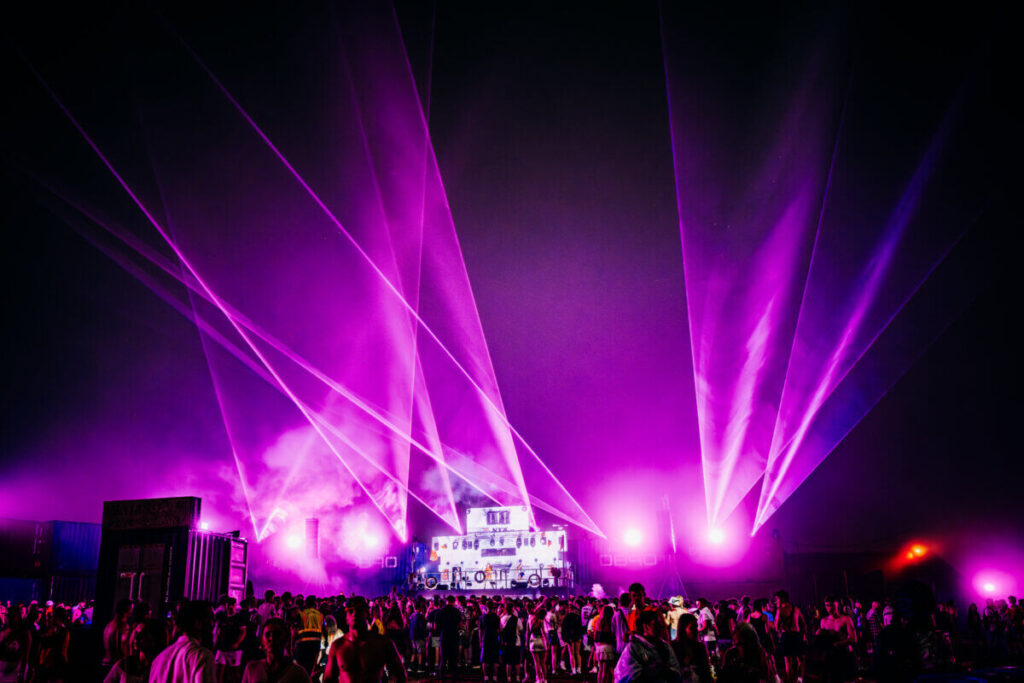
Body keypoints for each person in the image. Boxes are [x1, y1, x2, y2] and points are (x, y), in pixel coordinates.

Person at [323, 597, 406, 683]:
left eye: (359, 610)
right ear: (346, 618)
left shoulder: (383, 643)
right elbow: (328, 679)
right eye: (350, 611)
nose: (354, 614)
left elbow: (401, 675)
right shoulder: (338, 646)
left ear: (367, 613)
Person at [150, 599, 216, 683]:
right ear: (198, 623)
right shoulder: (203, 657)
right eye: (210, 619)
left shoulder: (159, 658)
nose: (213, 624)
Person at [614, 609, 681, 683]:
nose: (661, 627)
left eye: (661, 624)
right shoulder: (633, 648)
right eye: (656, 624)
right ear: (645, 627)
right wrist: (650, 672)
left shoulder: (665, 646)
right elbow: (626, 676)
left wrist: (666, 671)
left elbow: (676, 671)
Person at [241, 618, 310, 683]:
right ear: (262, 640)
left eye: (277, 634)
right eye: (268, 635)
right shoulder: (251, 669)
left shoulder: (298, 673)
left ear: (286, 639)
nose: (272, 638)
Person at [103, 618, 167, 683]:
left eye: (143, 634)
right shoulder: (125, 665)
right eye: (136, 633)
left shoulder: (162, 668)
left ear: (154, 639)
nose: (136, 638)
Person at [817, 596, 857, 683]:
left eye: (832, 605)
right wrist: (818, 635)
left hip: (846, 655)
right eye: (827, 605)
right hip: (832, 657)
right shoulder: (823, 621)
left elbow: (854, 638)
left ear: (837, 605)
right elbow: (822, 641)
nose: (829, 608)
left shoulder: (846, 619)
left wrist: (838, 644)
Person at [771, 590, 805, 683]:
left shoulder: (780, 610)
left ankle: (790, 680)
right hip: (797, 635)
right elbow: (803, 623)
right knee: (800, 660)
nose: (775, 601)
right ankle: (800, 679)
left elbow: (776, 626)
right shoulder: (796, 609)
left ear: (782, 599)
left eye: (776, 599)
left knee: (788, 662)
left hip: (787, 636)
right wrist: (804, 636)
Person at [213, 597, 247, 683]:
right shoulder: (222, 617)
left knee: (234, 672)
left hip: (234, 650)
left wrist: (237, 643)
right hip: (222, 648)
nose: (230, 607)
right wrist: (215, 644)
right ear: (226, 606)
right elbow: (219, 631)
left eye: (232, 605)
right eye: (229, 605)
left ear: (235, 606)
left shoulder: (239, 617)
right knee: (218, 671)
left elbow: (243, 632)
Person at [670, 613, 712, 683]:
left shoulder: (700, 647)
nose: (696, 631)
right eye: (692, 628)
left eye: (696, 627)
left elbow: (706, 672)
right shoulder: (673, 646)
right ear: (683, 629)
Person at [293, 596, 323, 674]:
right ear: (315, 604)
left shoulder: (301, 614)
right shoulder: (320, 614)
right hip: (316, 644)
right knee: (313, 668)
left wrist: (292, 644)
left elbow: (295, 631)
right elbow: (324, 630)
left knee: (302, 669)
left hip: (303, 644)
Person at [103, 599, 134, 670]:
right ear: (127, 610)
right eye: (131, 609)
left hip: (107, 664)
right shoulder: (121, 627)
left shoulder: (110, 624)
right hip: (114, 666)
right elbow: (120, 649)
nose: (132, 612)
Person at [592, 606, 618, 683]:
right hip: (608, 648)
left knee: (601, 669)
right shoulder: (611, 622)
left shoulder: (599, 621)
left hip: (599, 648)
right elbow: (613, 636)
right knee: (607, 670)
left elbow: (595, 637)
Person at [500, 600, 523, 683]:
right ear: (513, 609)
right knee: (517, 662)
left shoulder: (502, 619)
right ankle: (517, 678)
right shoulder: (517, 619)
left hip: (507, 643)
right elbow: (521, 631)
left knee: (508, 662)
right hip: (516, 642)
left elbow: (501, 630)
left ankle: (509, 678)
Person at [479, 601, 501, 682]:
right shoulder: (496, 617)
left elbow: (480, 631)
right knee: (495, 659)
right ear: (493, 607)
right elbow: (499, 630)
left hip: (485, 639)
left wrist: (480, 641)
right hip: (494, 639)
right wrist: (500, 640)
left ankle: (486, 676)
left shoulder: (482, 617)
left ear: (486, 607)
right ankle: (495, 676)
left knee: (484, 659)